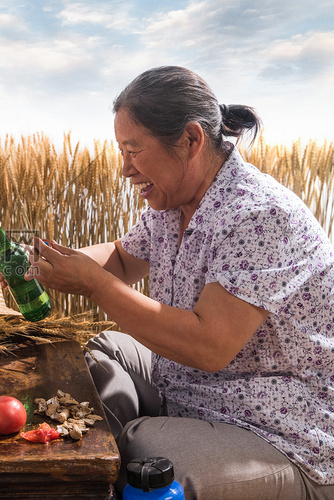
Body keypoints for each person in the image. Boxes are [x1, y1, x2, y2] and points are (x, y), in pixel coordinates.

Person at [24, 66, 333, 499]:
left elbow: (208, 347)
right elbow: (122, 259)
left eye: (134, 150)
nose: (124, 169)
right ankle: (119, 441)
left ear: (190, 139)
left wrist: (95, 286)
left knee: (141, 453)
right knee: (98, 353)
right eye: (121, 151)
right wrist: (46, 263)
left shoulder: (259, 215)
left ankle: (131, 447)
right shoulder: (172, 204)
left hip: (282, 429)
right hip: (192, 389)